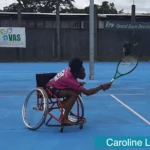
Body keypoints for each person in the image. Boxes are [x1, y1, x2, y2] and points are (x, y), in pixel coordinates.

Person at [46, 57, 111, 125]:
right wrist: (101, 87)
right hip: (52, 89)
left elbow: (68, 82)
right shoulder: (70, 80)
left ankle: (63, 103)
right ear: (76, 73)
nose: (85, 73)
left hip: (57, 85)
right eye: (83, 72)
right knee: (73, 94)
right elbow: (88, 92)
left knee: (75, 91)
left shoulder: (70, 70)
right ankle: (65, 119)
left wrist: (78, 84)